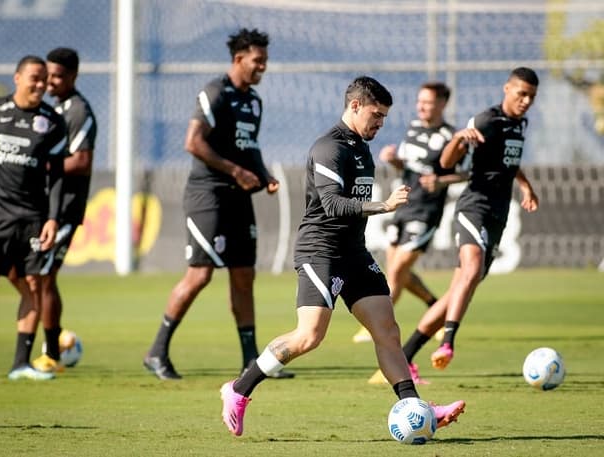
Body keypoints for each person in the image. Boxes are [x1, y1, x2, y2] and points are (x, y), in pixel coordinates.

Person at [219, 76, 466, 437]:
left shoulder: (362, 148)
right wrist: (384, 204)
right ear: (354, 106)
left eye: (383, 116)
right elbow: (333, 204)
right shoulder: (328, 148)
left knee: (387, 330)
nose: (380, 123)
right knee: (309, 336)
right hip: (320, 251)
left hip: (353, 253)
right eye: (376, 114)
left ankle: (416, 408)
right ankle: (238, 389)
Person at [143, 28, 293, 380]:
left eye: (265, 62)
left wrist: (262, 173)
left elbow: (249, 145)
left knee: (244, 276)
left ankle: (250, 361)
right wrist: (234, 171)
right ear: (239, 59)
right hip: (207, 195)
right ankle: (156, 352)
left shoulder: (254, 101)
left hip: (239, 196)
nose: (263, 67)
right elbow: (193, 143)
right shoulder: (215, 93)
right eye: (258, 61)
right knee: (199, 276)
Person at [401, 67, 540, 380]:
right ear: (507, 89)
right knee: (472, 267)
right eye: (522, 94)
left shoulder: (520, 123)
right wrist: (458, 138)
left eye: (531, 96)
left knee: (456, 293)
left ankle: (405, 355)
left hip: (497, 214)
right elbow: (446, 163)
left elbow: (510, 162)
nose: (526, 101)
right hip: (473, 206)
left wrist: (526, 185)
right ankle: (447, 342)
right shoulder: (486, 120)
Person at [355, 82, 468, 385]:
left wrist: (443, 181)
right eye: (419, 101)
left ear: (443, 104)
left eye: (428, 102)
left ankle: (376, 324)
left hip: (426, 212)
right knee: (397, 272)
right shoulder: (415, 128)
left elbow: (466, 172)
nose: (422, 107)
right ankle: (434, 307)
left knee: (398, 269)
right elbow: (406, 168)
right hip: (403, 203)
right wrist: (394, 160)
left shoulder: (450, 137)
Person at [0, 55, 67, 380]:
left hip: (34, 218)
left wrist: (52, 219)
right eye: (34, 77)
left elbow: (59, 177)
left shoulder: (52, 122)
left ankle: (21, 362)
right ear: (17, 78)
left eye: (44, 79)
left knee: (35, 285)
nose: (41, 84)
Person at [7, 47, 97, 373]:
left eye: (58, 76)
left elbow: (82, 160)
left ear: (73, 76)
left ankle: (52, 354)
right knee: (21, 273)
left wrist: (37, 164)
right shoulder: (47, 108)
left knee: (44, 277)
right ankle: (54, 335)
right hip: (36, 208)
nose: (50, 82)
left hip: (64, 209)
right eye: (47, 75)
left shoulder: (78, 111)